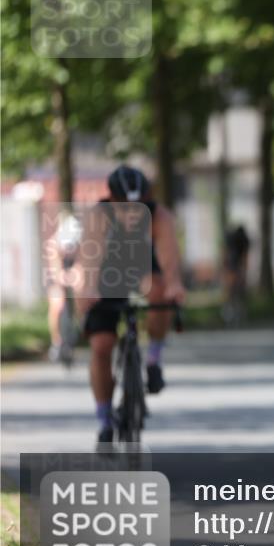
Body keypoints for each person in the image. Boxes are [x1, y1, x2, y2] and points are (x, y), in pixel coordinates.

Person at [73, 165, 186, 444]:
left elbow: (169, 260)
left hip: (141, 267)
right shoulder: (99, 217)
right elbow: (89, 263)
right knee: (101, 345)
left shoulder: (159, 215)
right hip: (106, 272)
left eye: (139, 206)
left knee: (161, 291)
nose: (133, 214)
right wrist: (87, 291)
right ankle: (103, 419)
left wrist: (174, 284)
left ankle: (153, 359)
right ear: (111, 199)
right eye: (125, 207)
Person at [46, 211, 83, 363]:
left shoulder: (82, 244)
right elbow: (55, 269)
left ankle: (81, 328)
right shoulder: (53, 244)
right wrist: (61, 276)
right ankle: (56, 342)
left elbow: (82, 265)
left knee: (83, 294)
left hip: (73, 270)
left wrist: (77, 277)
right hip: (57, 274)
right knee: (57, 303)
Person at [221, 225, 251, 325]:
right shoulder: (244, 241)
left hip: (231, 265)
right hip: (234, 265)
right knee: (237, 291)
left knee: (230, 292)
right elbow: (245, 258)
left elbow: (225, 254)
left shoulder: (231, 240)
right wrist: (244, 271)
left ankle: (229, 313)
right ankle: (235, 313)